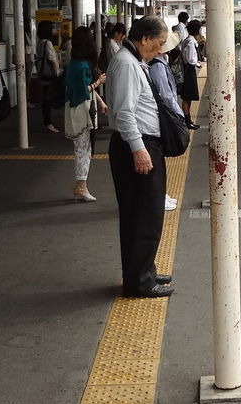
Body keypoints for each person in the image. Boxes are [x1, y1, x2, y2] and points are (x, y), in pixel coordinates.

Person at [107, 16, 174, 298]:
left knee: (147, 212)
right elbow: (124, 113)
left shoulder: (132, 61)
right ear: (144, 38)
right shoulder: (126, 64)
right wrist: (139, 149)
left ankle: (144, 270)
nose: (160, 49)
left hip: (141, 145)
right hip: (136, 146)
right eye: (159, 43)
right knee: (143, 215)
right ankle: (139, 282)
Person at [65, 27, 107, 201]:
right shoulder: (83, 66)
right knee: (83, 149)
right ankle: (81, 186)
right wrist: (99, 82)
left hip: (75, 110)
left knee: (81, 147)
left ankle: (81, 186)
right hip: (83, 110)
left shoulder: (73, 64)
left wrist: (100, 102)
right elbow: (84, 90)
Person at [150, 28, 188, 212]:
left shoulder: (159, 62)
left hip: (162, 114)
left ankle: (161, 195)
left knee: (159, 159)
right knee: (157, 159)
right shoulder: (157, 65)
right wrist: (178, 113)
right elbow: (165, 94)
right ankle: (158, 197)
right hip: (163, 115)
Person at [35, 20, 62, 134]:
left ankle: (47, 121)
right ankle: (48, 122)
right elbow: (52, 59)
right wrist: (58, 72)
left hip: (42, 73)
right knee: (48, 98)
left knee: (46, 97)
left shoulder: (40, 42)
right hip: (49, 74)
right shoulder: (48, 43)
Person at [178, 19, 202, 130]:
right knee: (187, 98)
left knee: (187, 97)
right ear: (198, 30)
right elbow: (191, 59)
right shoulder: (191, 42)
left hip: (186, 70)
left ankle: (188, 120)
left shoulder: (187, 40)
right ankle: (188, 122)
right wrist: (198, 64)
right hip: (189, 71)